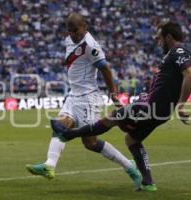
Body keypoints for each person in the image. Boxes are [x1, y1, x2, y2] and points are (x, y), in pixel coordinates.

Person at [51, 21, 191, 191]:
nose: (158, 42)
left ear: (169, 37)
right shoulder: (175, 55)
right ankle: (148, 182)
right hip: (160, 112)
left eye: (159, 38)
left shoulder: (178, 51)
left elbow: (190, 76)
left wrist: (181, 105)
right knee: (131, 139)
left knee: (112, 117)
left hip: (150, 108)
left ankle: (68, 134)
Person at [26, 12, 141, 190]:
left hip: (88, 98)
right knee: (60, 126)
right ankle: (49, 165)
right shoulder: (68, 40)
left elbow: (106, 69)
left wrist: (113, 94)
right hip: (74, 95)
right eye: (70, 31)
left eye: (76, 30)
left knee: (91, 143)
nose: (73, 34)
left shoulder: (91, 46)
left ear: (85, 27)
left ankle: (130, 167)